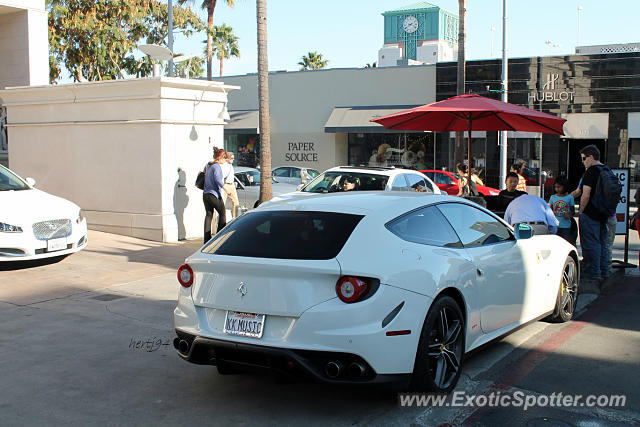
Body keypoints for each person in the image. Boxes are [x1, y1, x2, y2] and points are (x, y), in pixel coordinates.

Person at [577, 144, 610, 280]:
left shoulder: (591, 172)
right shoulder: (607, 169)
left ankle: (594, 272)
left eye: (584, 158)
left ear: (591, 157)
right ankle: (604, 270)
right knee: (602, 242)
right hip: (604, 212)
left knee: (591, 243)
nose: (583, 161)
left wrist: (580, 211)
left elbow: (586, 195)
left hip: (590, 213)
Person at [203, 148, 227, 243]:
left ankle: (206, 240)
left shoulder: (208, 165)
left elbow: (204, 175)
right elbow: (217, 180)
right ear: (220, 157)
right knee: (222, 214)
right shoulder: (216, 166)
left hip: (206, 194)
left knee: (209, 215)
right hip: (214, 194)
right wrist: (226, 188)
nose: (225, 160)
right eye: (224, 157)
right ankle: (218, 239)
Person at [549, 176, 576, 245]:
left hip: (565, 226)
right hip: (555, 225)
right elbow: (549, 210)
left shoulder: (570, 198)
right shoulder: (553, 197)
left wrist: (569, 214)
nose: (557, 189)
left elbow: (573, 211)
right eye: (555, 187)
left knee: (565, 243)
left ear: (565, 186)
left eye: (559, 187)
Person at [221, 152, 239, 219]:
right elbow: (222, 176)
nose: (233, 159)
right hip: (226, 185)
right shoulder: (224, 166)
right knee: (222, 203)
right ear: (227, 158)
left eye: (233, 158)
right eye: (231, 158)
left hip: (232, 185)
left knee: (236, 203)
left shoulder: (230, 165)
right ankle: (221, 218)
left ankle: (234, 218)